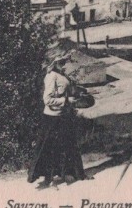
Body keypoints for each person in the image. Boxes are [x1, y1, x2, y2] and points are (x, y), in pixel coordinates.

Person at [27, 55, 87, 187]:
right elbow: (47, 100)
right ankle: (48, 177)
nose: (64, 64)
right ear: (55, 63)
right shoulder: (51, 76)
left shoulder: (61, 74)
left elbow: (65, 90)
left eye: (64, 61)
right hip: (51, 118)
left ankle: (68, 173)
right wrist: (66, 101)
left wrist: (76, 94)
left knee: (67, 144)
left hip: (63, 115)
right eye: (61, 62)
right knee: (49, 147)